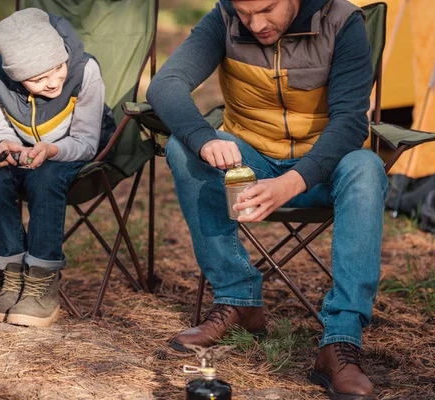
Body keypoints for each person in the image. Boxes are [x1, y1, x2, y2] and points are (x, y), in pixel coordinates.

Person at [147, 0, 387, 398]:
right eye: (244, 12)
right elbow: (165, 84)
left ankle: (340, 340)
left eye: (267, 8)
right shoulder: (224, 19)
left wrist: (291, 183)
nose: (255, 24)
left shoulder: (342, 22)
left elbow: (349, 123)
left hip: (323, 166)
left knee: (366, 166)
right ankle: (238, 299)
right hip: (251, 160)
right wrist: (203, 137)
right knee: (181, 147)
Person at [0, 8, 114, 328]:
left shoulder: (84, 70)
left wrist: (51, 150)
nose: (53, 82)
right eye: (38, 79)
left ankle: (41, 280)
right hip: (23, 156)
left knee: (46, 176)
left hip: (72, 156)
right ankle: (11, 276)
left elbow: (86, 142)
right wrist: (1, 145)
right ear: (15, 76)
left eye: (57, 69)